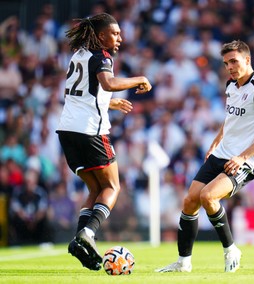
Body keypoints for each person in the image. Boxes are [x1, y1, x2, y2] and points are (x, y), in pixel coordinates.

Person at [155, 40, 254, 273]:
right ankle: (183, 263)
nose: (230, 67)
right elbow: (230, 120)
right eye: (226, 63)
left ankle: (231, 249)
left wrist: (242, 157)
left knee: (209, 197)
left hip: (246, 159)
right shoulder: (230, 85)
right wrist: (214, 144)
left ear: (247, 60)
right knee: (190, 200)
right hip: (221, 153)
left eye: (234, 61)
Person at [56, 13, 152, 271]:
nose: (120, 38)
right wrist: (139, 78)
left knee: (95, 191)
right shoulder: (102, 56)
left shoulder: (78, 56)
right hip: (91, 133)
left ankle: (79, 240)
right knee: (112, 187)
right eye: (115, 33)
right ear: (101, 36)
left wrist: (107, 103)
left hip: (67, 131)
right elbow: (108, 83)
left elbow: (82, 95)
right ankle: (88, 233)